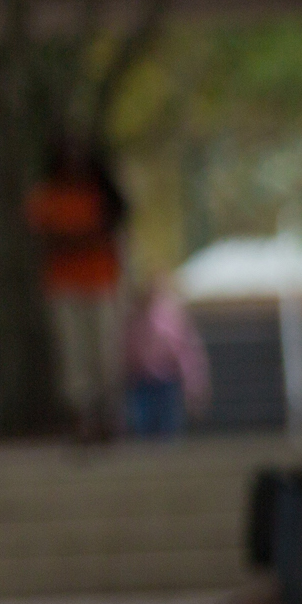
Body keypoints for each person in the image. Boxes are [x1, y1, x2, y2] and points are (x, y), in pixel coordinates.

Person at [28, 139, 130, 439]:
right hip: (64, 286)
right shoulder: (49, 195)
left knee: (104, 352)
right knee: (73, 356)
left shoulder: (102, 192)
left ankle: (106, 416)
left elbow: (115, 227)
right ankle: (83, 419)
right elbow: (43, 236)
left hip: (101, 283)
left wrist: (78, 239)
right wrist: (81, 239)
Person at [121, 271, 208, 438]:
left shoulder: (171, 317)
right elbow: (128, 349)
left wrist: (194, 383)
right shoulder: (134, 317)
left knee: (167, 427)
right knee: (144, 424)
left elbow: (185, 353)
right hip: (141, 379)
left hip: (166, 378)